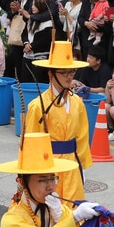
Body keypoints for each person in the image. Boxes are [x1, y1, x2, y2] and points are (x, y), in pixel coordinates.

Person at [24, 41, 93, 202]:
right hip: (49, 167)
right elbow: (31, 145)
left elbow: (82, 138)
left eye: (72, 72)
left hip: (73, 166)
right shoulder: (37, 106)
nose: (69, 77)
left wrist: (81, 167)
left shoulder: (77, 102)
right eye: (64, 73)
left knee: (75, 213)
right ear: (51, 74)